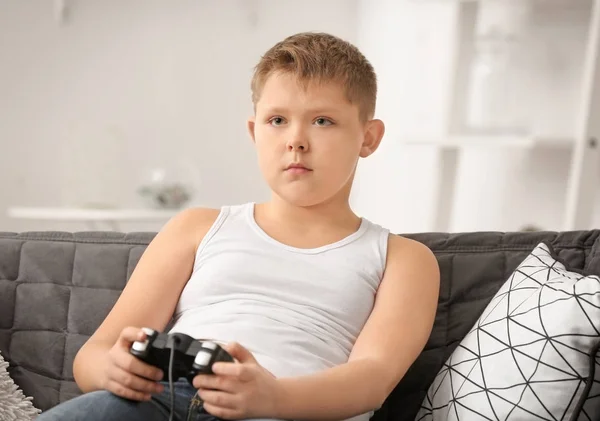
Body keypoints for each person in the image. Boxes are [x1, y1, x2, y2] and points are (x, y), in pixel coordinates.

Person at [37, 31, 440, 421]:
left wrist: (274, 397)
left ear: (368, 137)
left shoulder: (403, 260)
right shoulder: (197, 227)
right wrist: (113, 371)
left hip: (287, 410)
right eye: (277, 120)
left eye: (322, 121)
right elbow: (94, 355)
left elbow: (372, 380)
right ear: (254, 132)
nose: (295, 140)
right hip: (163, 397)